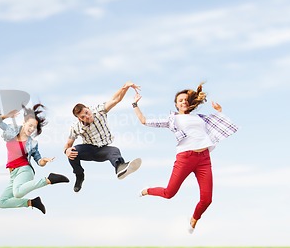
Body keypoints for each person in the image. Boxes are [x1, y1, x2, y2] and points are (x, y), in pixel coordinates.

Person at [133, 83, 238, 233]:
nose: (183, 101)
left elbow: (218, 124)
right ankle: (147, 190)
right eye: (180, 100)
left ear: (190, 102)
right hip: (185, 158)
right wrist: (135, 104)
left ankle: (194, 218)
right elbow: (144, 121)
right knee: (169, 193)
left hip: (204, 159)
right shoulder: (172, 120)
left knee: (207, 199)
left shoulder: (201, 118)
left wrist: (219, 111)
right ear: (176, 105)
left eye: (185, 99)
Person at [63, 82, 142, 193]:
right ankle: (79, 175)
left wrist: (125, 87)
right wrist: (66, 151)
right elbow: (68, 144)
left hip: (103, 150)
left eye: (87, 112)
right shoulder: (76, 127)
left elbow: (116, 99)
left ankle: (120, 167)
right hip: (89, 150)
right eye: (83, 117)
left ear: (88, 108)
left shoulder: (100, 111)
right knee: (73, 151)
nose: (87, 116)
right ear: (79, 119)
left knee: (115, 151)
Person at [0, 104, 69, 214]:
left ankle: (49, 179)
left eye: (34, 127)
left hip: (24, 170)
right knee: (1, 202)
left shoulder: (32, 143)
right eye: (30, 125)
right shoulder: (11, 130)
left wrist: (44, 160)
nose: (32, 129)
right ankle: (32, 203)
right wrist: (7, 115)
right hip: (13, 173)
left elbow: (39, 161)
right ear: (24, 123)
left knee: (17, 193)